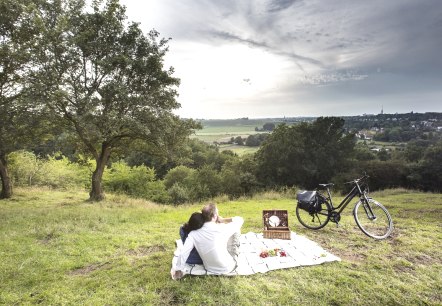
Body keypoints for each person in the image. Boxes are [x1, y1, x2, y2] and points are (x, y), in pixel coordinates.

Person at [174, 203, 244, 279]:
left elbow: (184, 252)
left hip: (209, 268)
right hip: (228, 267)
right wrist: (223, 220)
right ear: (214, 216)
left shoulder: (193, 234)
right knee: (236, 231)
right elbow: (240, 220)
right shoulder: (222, 228)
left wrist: (178, 270)